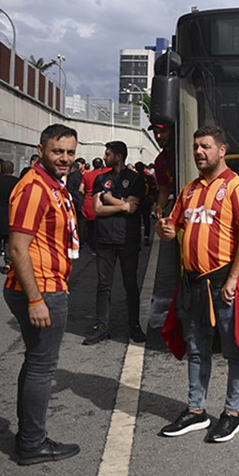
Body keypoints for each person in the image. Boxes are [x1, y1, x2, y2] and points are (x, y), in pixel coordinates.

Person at [157, 125, 239, 443]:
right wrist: (165, 229)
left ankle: (232, 414)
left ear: (221, 150)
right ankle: (196, 411)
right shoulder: (189, 190)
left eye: (205, 146)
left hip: (222, 284)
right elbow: (173, 228)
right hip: (193, 285)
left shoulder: (236, 187)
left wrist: (232, 279)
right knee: (197, 350)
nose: (199, 152)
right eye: (195, 147)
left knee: (235, 350)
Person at [3, 124, 80, 465]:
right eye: (57, 151)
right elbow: (17, 248)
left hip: (47, 285)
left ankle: (28, 437)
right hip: (41, 288)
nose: (64, 158)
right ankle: (32, 444)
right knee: (42, 368)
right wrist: (35, 299)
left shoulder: (52, 186)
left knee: (36, 363)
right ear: (41, 150)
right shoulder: (35, 188)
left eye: (69, 152)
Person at [84, 141, 146, 345]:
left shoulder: (136, 179)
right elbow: (97, 209)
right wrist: (122, 205)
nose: (104, 155)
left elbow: (134, 208)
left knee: (130, 284)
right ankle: (101, 327)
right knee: (103, 284)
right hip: (104, 238)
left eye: (108, 153)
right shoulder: (101, 178)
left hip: (128, 239)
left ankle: (134, 326)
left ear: (118, 156)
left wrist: (109, 199)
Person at [81, 157, 109, 255]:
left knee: (90, 226)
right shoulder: (104, 175)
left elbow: (81, 189)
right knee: (100, 225)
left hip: (88, 201)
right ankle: (99, 246)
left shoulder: (87, 175)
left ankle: (92, 247)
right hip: (100, 200)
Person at [151, 122, 175, 217]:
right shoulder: (159, 161)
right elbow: (164, 189)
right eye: (155, 132)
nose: (158, 136)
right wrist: (159, 207)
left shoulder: (186, 151)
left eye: (163, 131)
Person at [135, 161, 155, 246]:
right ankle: (146, 236)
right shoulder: (149, 177)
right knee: (146, 219)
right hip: (146, 200)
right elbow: (154, 189)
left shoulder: (133, 178)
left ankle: (137, 238)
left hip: (137, 201)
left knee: (137, 220)